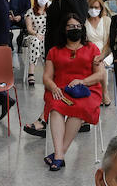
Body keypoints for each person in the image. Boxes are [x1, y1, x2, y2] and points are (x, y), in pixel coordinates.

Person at [39, 11, 105, 172]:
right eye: (70, 26)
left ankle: (59, 154)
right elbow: (46, 77)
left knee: (79, 108)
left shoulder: (92, 48)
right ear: (64, 29)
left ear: (82, 28)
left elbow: (100, 74)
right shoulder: (54, 51)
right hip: (59, 89)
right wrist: (53, 87)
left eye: (77, 26)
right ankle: (59, 155)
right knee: (55, 107)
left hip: (87, 89)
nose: (74, 29)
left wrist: (82, 81)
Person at [84, 0, 112, 106]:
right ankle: (103, 92)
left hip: (106, 51)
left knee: (100, 62)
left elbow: (109, 42)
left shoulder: (106, 20)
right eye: (91, 7)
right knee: (96, 62)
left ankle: (103, 92)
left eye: (96, 7)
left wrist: (103, 55)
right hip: (89, 52)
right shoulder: (84, 22)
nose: (93, 10)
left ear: (101, 9)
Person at [22, 0, 50, 87]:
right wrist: (37, 34)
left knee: (46, 41)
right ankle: (31, 72)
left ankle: (48, 72)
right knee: (36, 41)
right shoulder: (30, 12)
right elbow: (29, 29)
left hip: (46, 36)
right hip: (32, 36)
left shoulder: (49, 11)